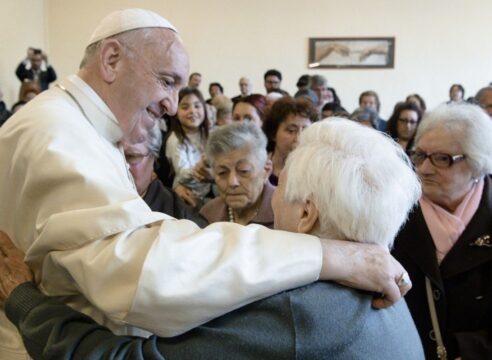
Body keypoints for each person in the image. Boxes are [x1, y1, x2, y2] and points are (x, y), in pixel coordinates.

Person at [0, 8, 410, 359]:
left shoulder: (82, 128)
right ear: (110, 59)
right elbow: (148, 274)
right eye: (166, 81)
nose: (172, 105)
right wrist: (331, 255)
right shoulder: (56, 130)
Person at [0, 119, 425, 360]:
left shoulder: (298, 309)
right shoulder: (383, 289)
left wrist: (23, 298)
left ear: (308, 214)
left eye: (281, 189)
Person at [392, 103, 492, 359]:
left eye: (441, 159)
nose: (424, 169)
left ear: (477, 164)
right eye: (420, 155)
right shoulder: (393, 214)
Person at [125, 123, 207, 227]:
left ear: (153, 161)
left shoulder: (183, 218)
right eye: (111, 155)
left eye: (131, 157)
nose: (119, 164)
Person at [200, 122, 274, 227]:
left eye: (243, 171)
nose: (232, 182)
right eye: (222, 173)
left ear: (266, 170)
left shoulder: (289, 214)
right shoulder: (208, 214)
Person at [166, 88, 212, 208]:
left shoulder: (210, 135)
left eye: (197, 106)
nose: (192, 111)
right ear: (176, 112)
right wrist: (201, 167)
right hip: (186, 195)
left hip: (209, 193)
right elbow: (181, 173)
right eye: (185, 107)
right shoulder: (175, 139)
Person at [263, 97, 318, 186]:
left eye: (305, 131)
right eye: (291, 130)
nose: (299, 138)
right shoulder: (259, 167)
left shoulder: (315, 173)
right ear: (273, 134)